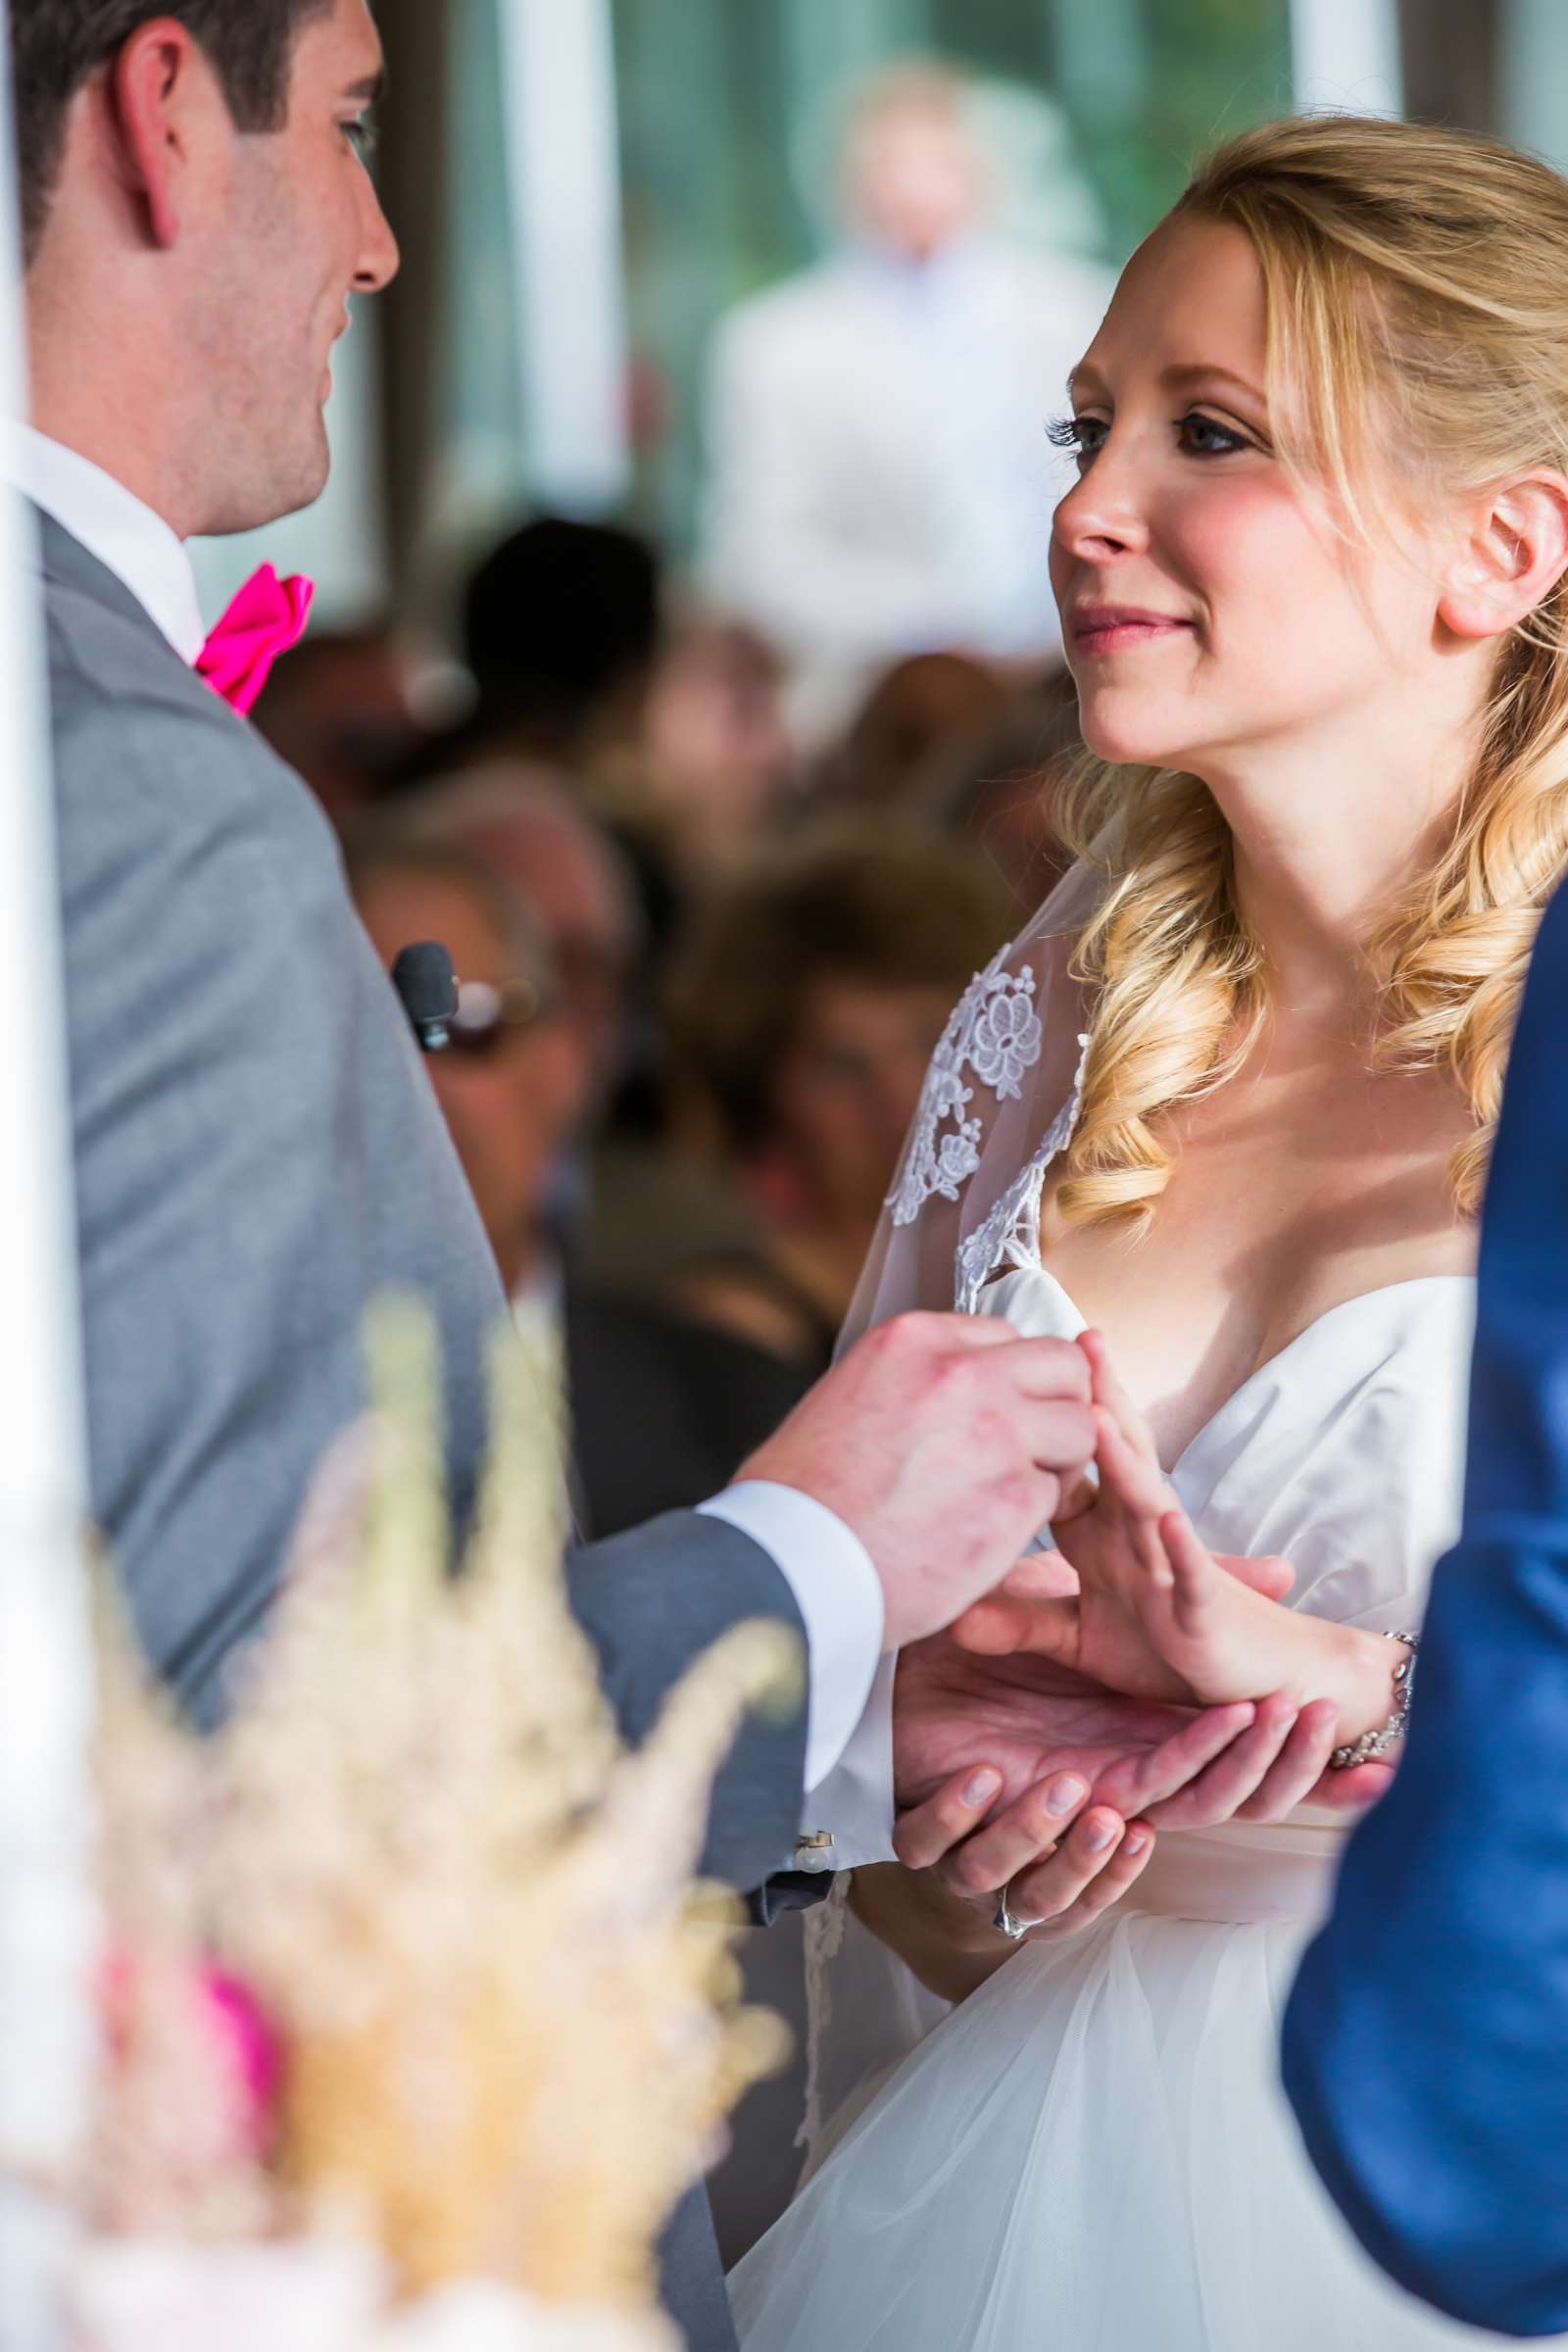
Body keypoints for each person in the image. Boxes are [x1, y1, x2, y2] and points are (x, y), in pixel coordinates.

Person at [8, 9, 1262, 2344]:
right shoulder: (123, 779)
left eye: (1202, 434)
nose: (382, 238)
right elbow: (217, 1766)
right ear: (166, 112)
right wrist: (807, 1550)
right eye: (361, 127)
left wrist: (844, 1721)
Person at [730, 114, 1568, 2352]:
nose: (1086, 506)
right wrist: (951, 1822)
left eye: (1207, 433)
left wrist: (1358, 1697)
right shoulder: (1046, 1012)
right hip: (1021, 2168)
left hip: (1473, 2197)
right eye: (1083, 423)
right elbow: (889, 1788)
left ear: (1496, 545)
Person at [1280, 891, 1568, 2332]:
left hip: (1459, 2050)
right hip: (1037, 2053)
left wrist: (1355, 1685)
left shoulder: (1540, 1012)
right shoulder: (1044, 1032)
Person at [702, 59, 1113, 743]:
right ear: (845, 181)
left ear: (981, 167)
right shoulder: (776, 345)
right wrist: (947, 631)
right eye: (891, 163)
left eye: (937, 159)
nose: (915, 187)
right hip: (876, 714)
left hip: (1074, 686)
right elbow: (762, 555)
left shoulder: (1082, 311)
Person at [663, 820, 1014, 1372]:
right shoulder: (742, 1327)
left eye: (932, 1040)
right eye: (843, 1067)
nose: (903, 1097)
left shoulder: (1035, 1275)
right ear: (767, 1103)